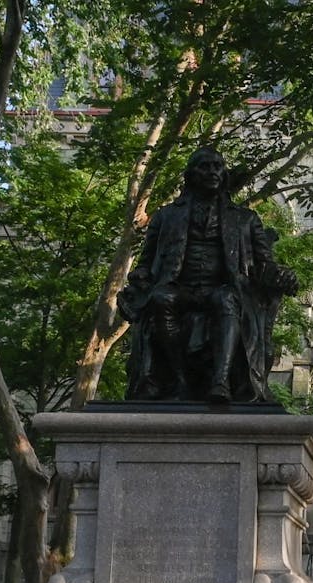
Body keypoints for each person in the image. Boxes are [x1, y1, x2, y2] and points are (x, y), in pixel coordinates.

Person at [116, 147, 295, 403]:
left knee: (227, 299)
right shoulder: (166, 216)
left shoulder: (245, 219)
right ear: (190, 175)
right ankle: (180, 380)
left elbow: (264, 265)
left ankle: (220, 382)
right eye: (205, 167)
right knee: (160, 299)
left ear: (224, 175)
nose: (212, 172)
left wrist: (282, 276)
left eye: (217, 167)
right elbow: (146, 263)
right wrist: (138, 280)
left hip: (222, 288)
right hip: (180, 287)